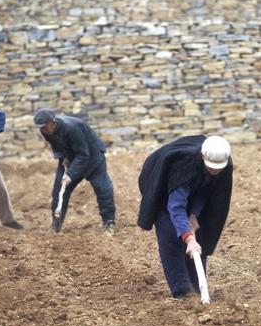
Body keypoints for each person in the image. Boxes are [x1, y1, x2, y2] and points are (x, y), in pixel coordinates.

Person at [137, 135, 233, 299]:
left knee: (200, 238)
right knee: (171, 236)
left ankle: (196, 288)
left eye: (219, 168)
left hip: (190, 189)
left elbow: (206, 191)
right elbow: (176, 205)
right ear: (203, 157)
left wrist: (194, 213)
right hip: (164, 191)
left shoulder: (223, 164)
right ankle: (182, 291)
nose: (216, 170)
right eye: (212, 167)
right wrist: (189, 239)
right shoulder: (183, 164)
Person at [33, 108, 116, 235]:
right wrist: (63, 156)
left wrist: (70, 175)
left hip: (93, 158)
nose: (43, 130)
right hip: (71, 158)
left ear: (52, 121)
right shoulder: (46, 131)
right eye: (40, 128)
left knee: (102, 188)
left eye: (44, 126)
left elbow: (83, 155)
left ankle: (109, 222)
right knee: (59, 190)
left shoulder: (71, 128)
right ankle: (56, 223)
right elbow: (56, 146)